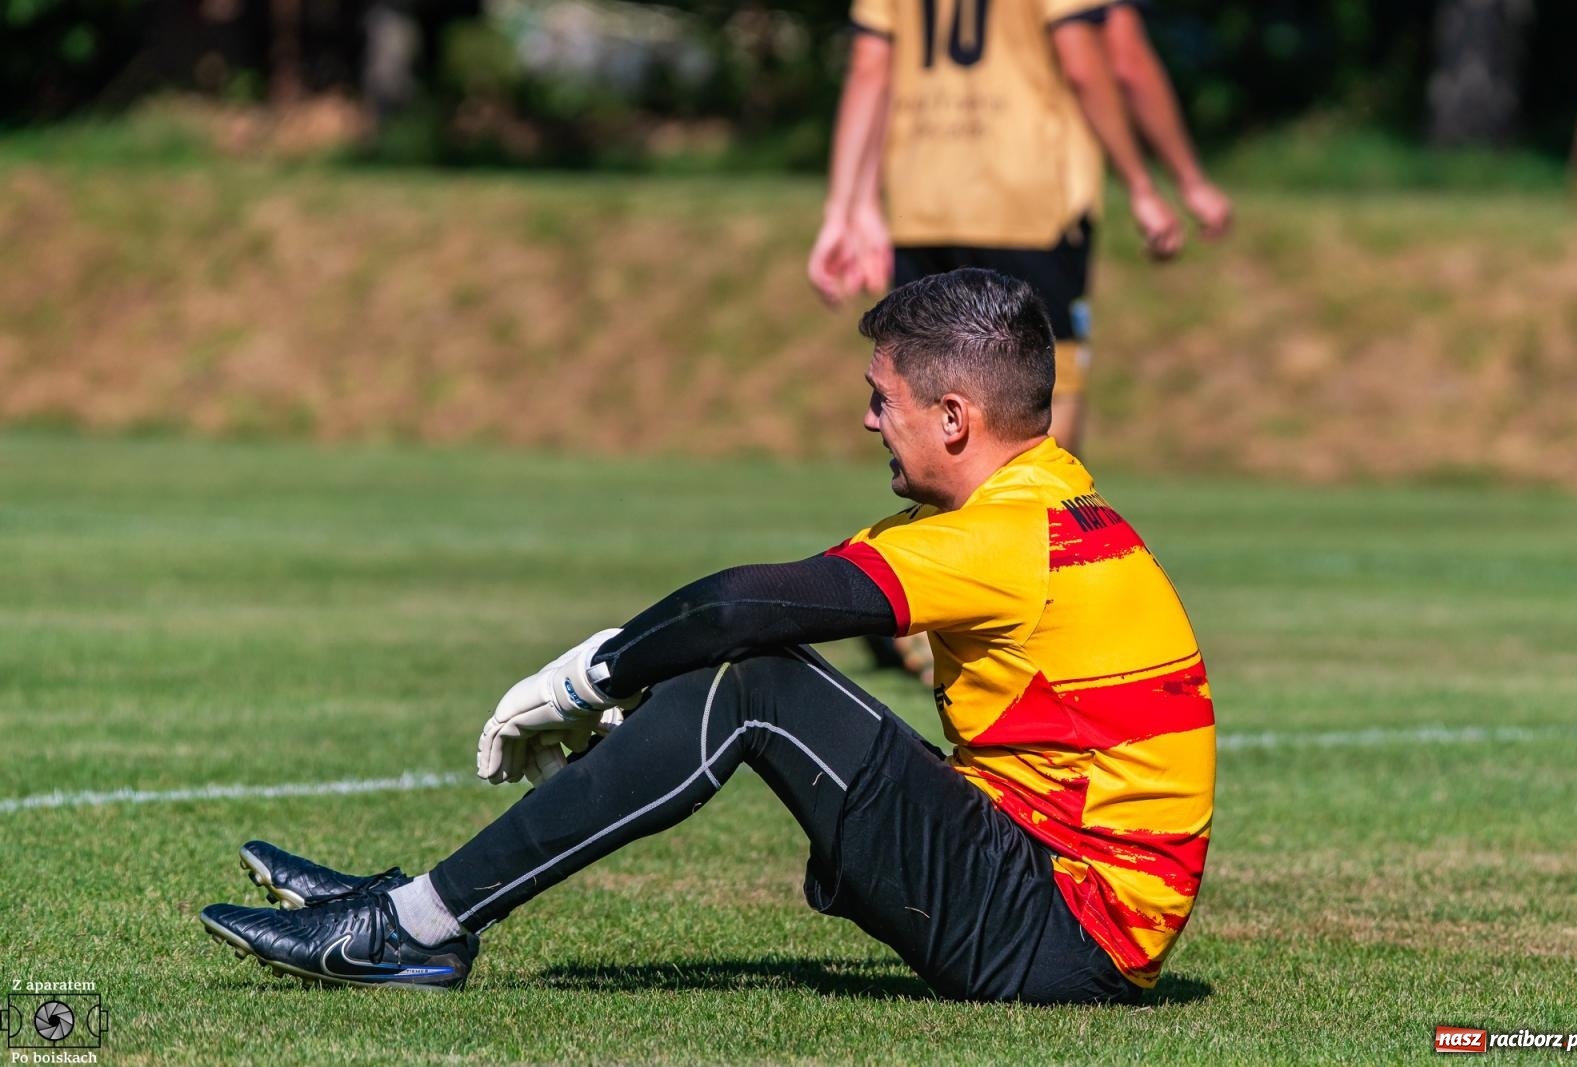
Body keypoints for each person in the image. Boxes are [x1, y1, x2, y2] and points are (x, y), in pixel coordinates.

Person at [200, 269, 1216, 1004]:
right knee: (741, 674)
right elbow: (759, 610)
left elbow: (740, 614)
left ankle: (414, 926)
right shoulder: (1042, 506)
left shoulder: (1003, 537)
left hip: (1065, 930)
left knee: (753, 682)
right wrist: (630, 691)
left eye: (882, 397)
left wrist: (586, 674)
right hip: (1049, 893)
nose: (869, 420)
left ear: (953, 416)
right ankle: (420, 907)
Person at [808, 0, 1232, 455]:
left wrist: (848, 207)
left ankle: (950, 529)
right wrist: (1147, 185)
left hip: (922, 205)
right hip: (1028, 203)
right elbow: (1091, 63)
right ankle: (1031, 527)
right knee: (1041, 402)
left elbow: (870, 69)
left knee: (925, 407)